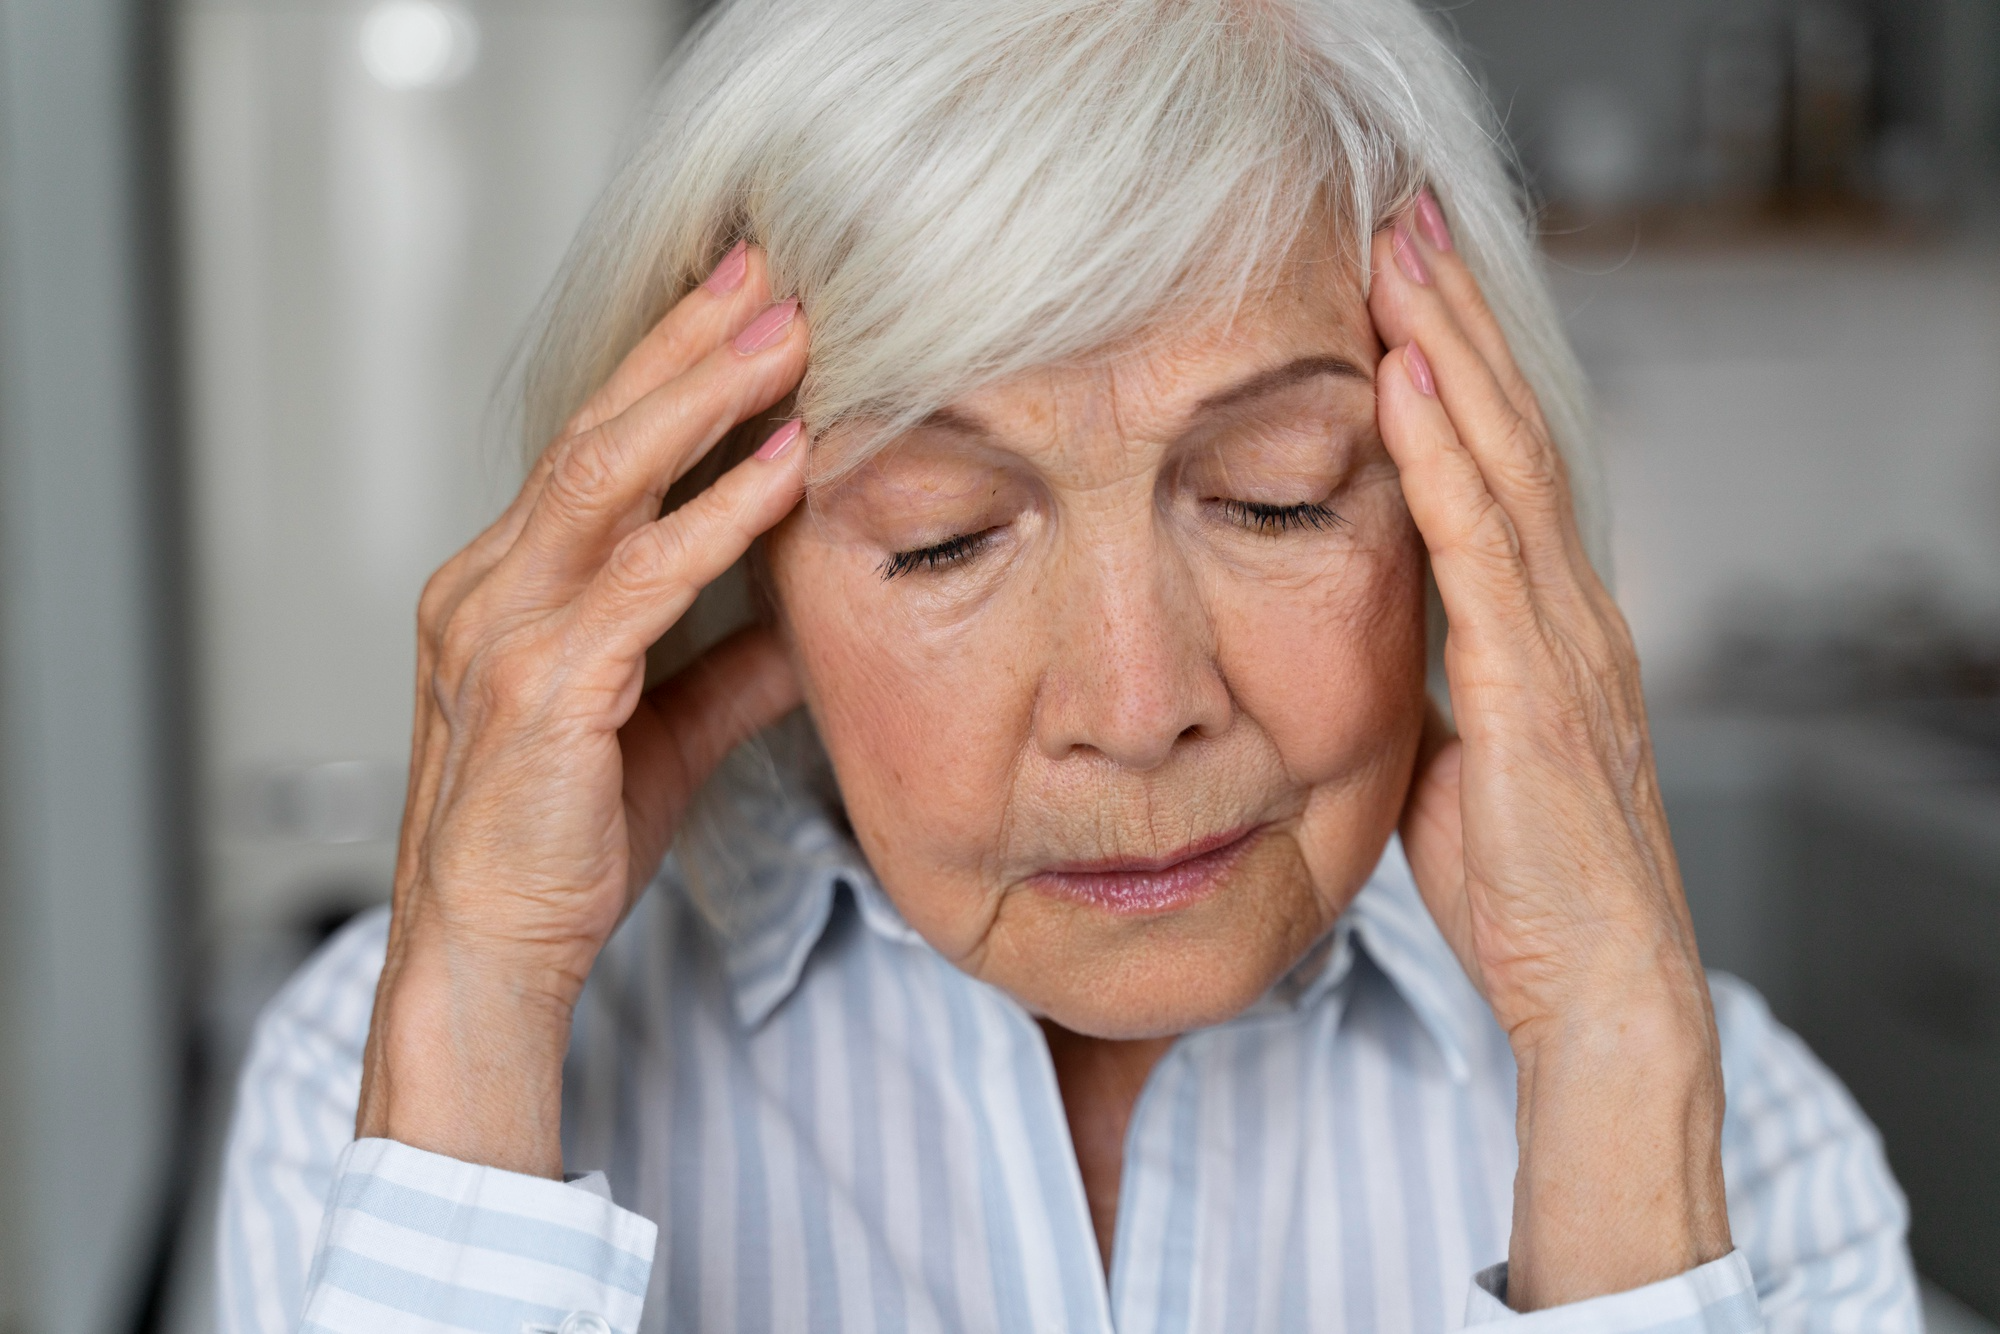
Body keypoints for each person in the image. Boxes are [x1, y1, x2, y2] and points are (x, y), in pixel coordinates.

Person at [217, 0, 1919, 1330]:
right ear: (737, 566)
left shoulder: (1738, 1130)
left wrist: (1619, 1070)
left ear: (1467, 503)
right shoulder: (384, 1095)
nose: (1133, 701)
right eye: (945, 533)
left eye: (1277, 497)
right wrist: (480, 1017)